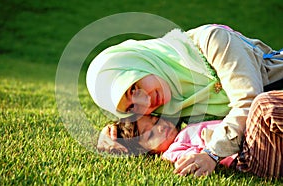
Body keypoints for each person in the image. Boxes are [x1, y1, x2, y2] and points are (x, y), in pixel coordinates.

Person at [86, 24, 283, 175]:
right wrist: (114, 136)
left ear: (142, 63)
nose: (145, 103)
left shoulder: (212, 41)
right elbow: (152, 135)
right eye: (131, 107)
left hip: (275, 96)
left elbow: (247, 103)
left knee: (263, 106)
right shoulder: (169, 108)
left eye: (134, 87)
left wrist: (212, 154)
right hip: (269, 137)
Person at [111, 115, 237, 177]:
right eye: (151, 135)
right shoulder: (172, 151)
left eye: (155, 120)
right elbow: (189, 159)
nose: (160, 127)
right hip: (241, 152)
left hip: (238, 133)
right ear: (148, 152)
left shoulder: (182, 132)